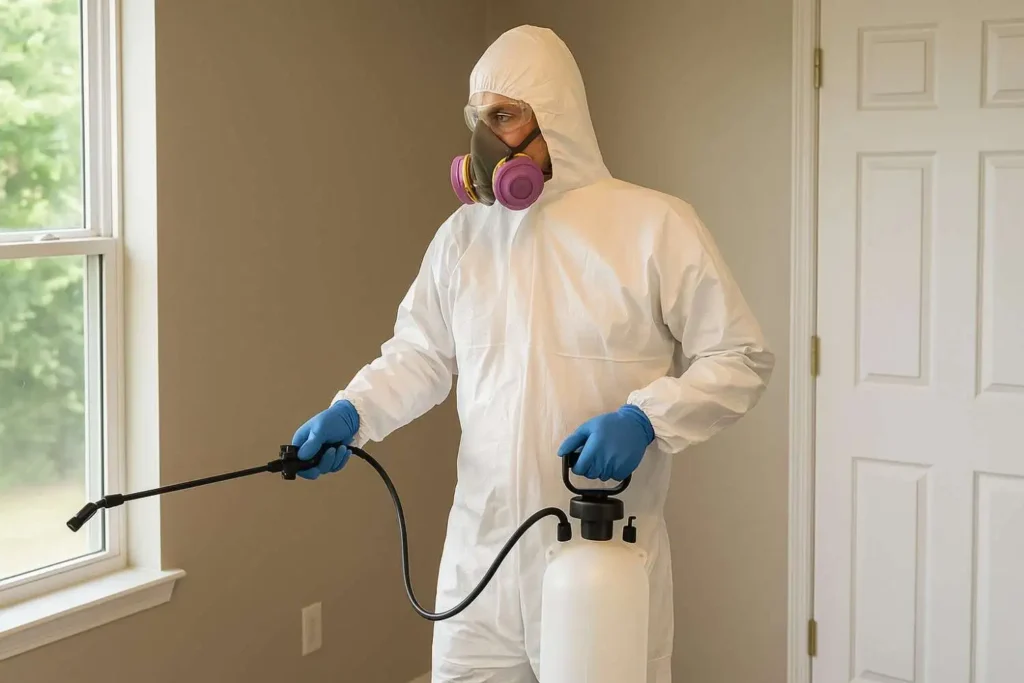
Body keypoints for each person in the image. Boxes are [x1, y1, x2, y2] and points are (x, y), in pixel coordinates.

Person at [291, 24, 774, 683]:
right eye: (478, 119)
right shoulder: (465, 236)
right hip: (480, 556)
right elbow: (421, 354)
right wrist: (353, 411)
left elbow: (740, 355)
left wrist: (647, 419)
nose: (485, 139)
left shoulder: (655, 226)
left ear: (558, 117)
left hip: (599, 557)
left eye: (505, 117)